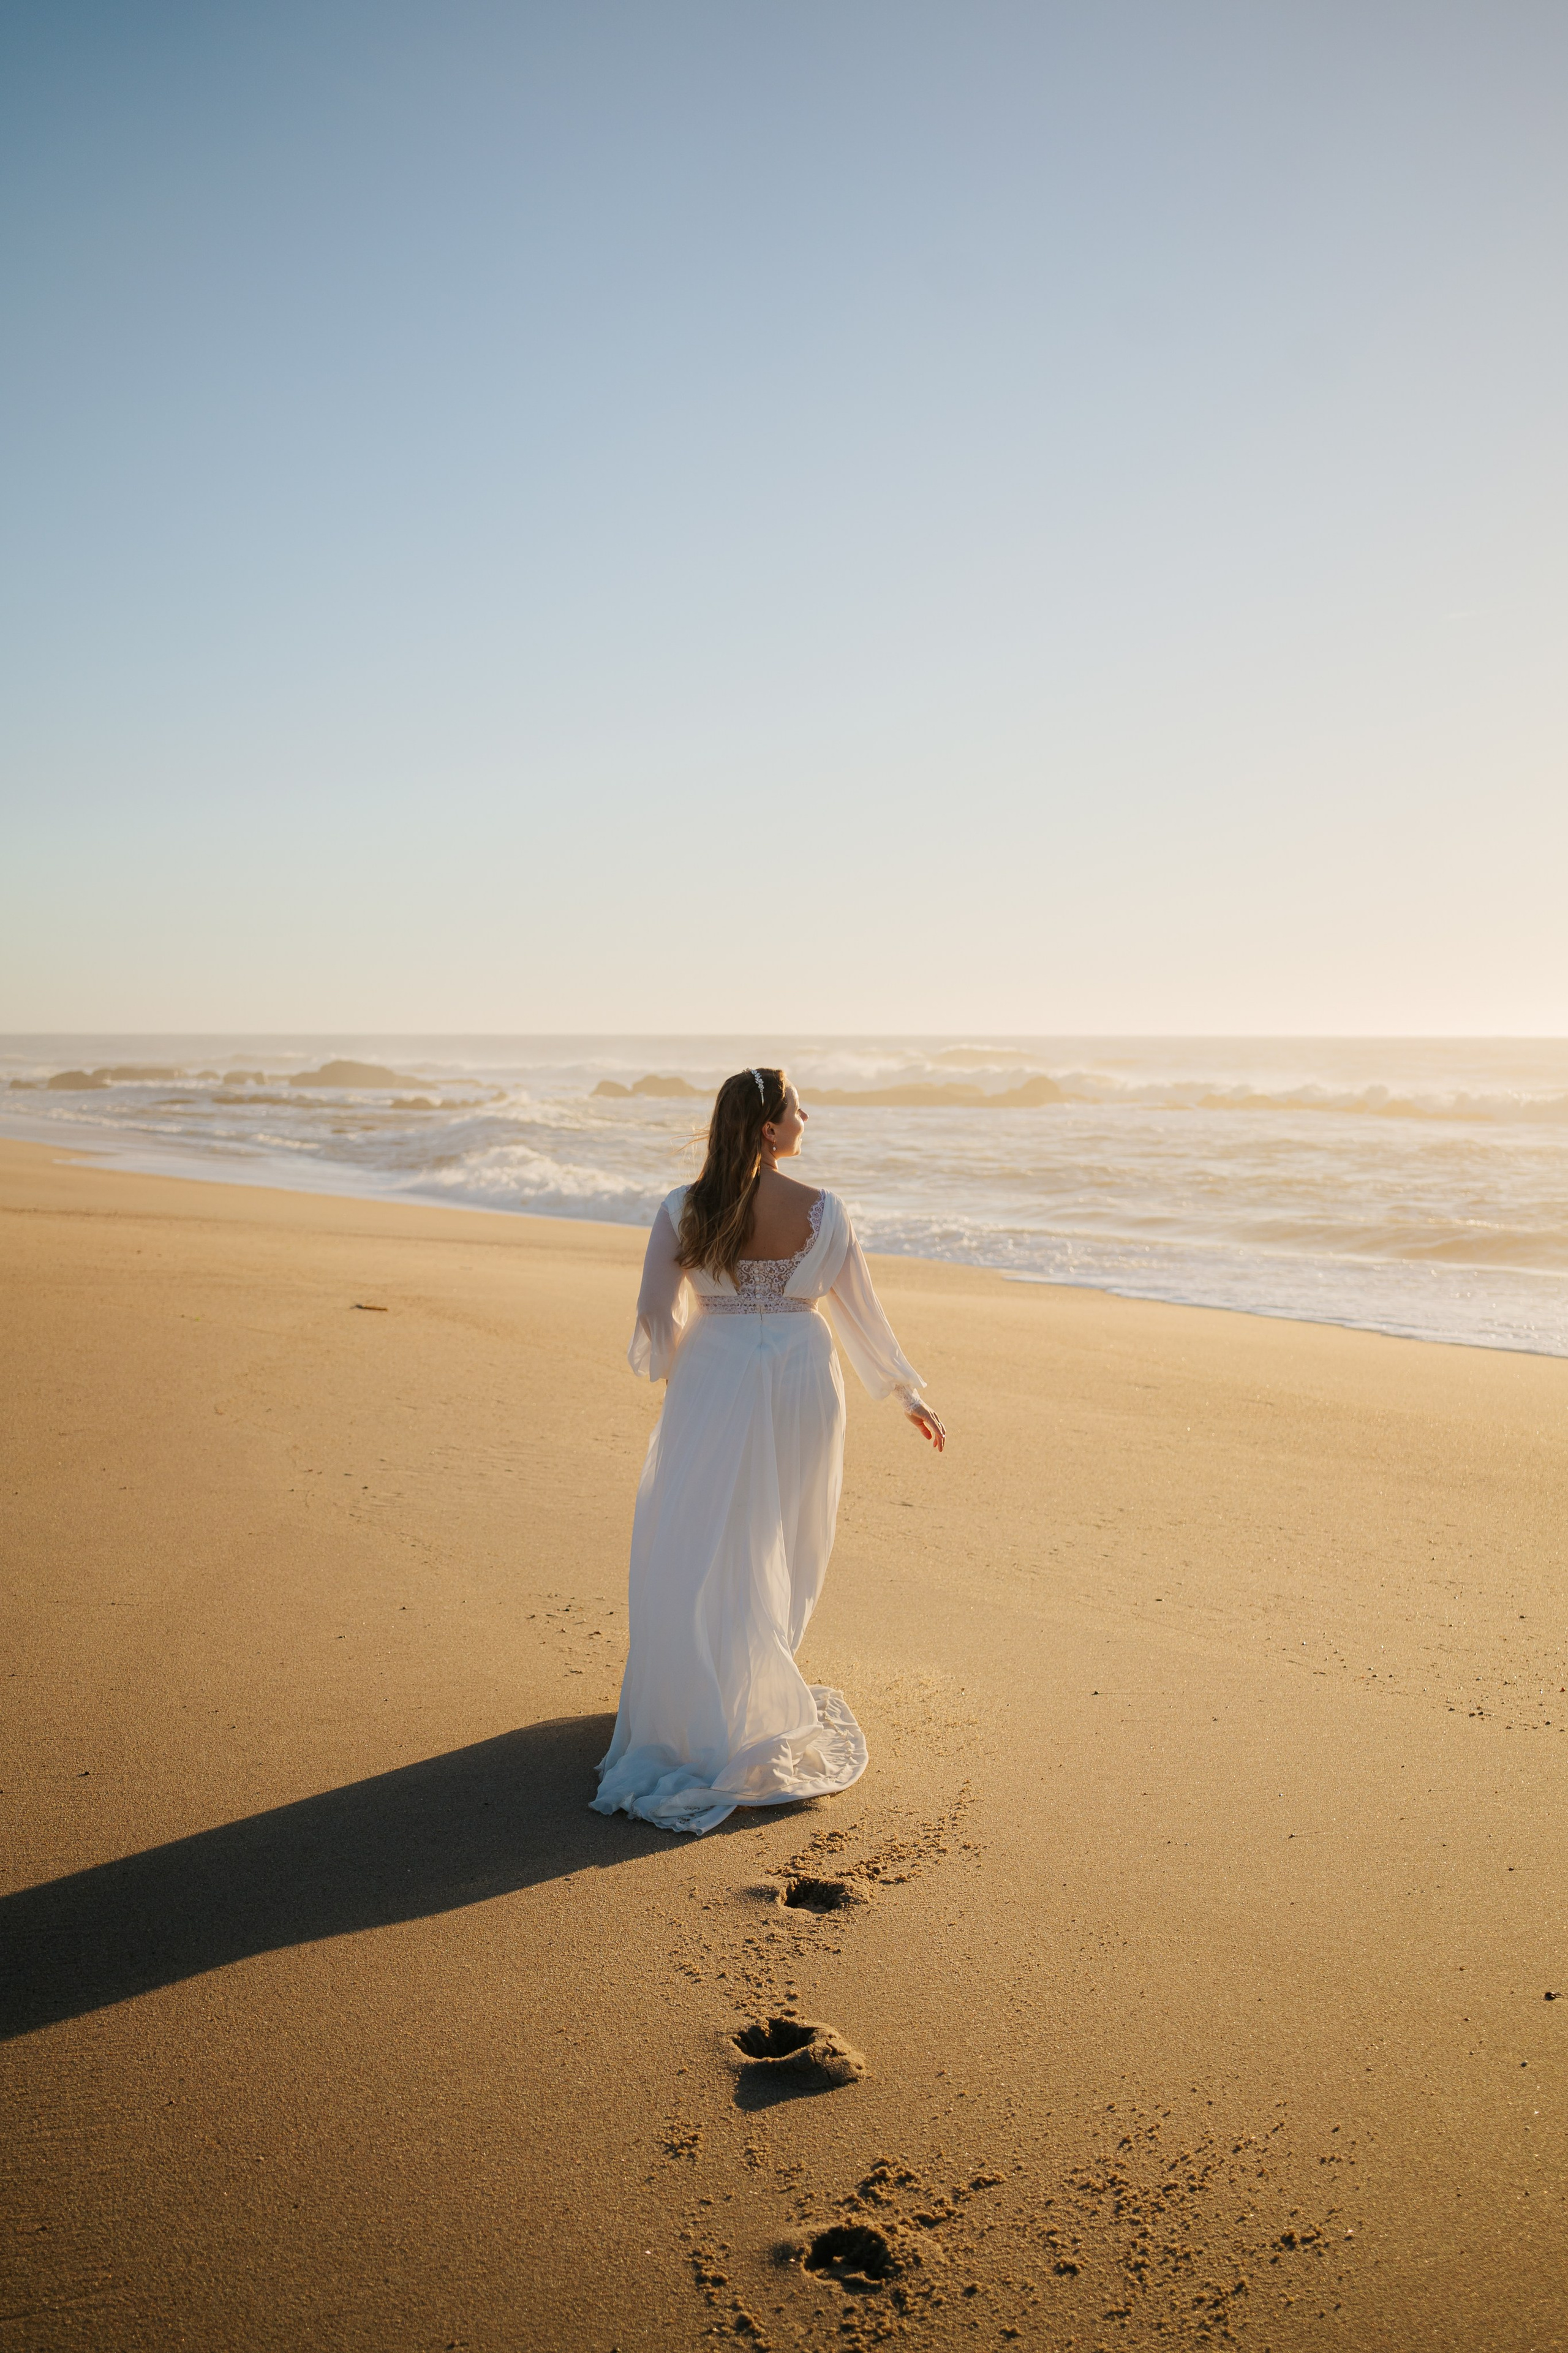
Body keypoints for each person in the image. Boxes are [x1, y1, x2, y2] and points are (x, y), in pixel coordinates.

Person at [592, 1066, 946, 1835]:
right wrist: (905, 1393)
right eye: (796, 1108)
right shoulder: (822, 1211)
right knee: (784, 1532)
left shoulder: (682, 1207)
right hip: (799, 1376)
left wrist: (696, 1367)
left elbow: (655, 1320)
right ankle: (754, 1692)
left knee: (703, 1532)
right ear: (767, 1128)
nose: (806, 1115)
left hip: (712, 1374)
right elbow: (861, 1316)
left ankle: (702, 1698)